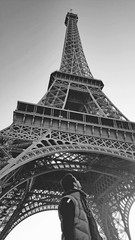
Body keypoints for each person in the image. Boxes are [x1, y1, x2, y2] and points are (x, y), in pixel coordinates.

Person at [58, 173, 103, 240]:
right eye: (77, 180)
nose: (79, 181)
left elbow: (92, 228)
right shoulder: (68, 200)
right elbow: (67, 229)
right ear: (74, 184)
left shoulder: (82, 201)